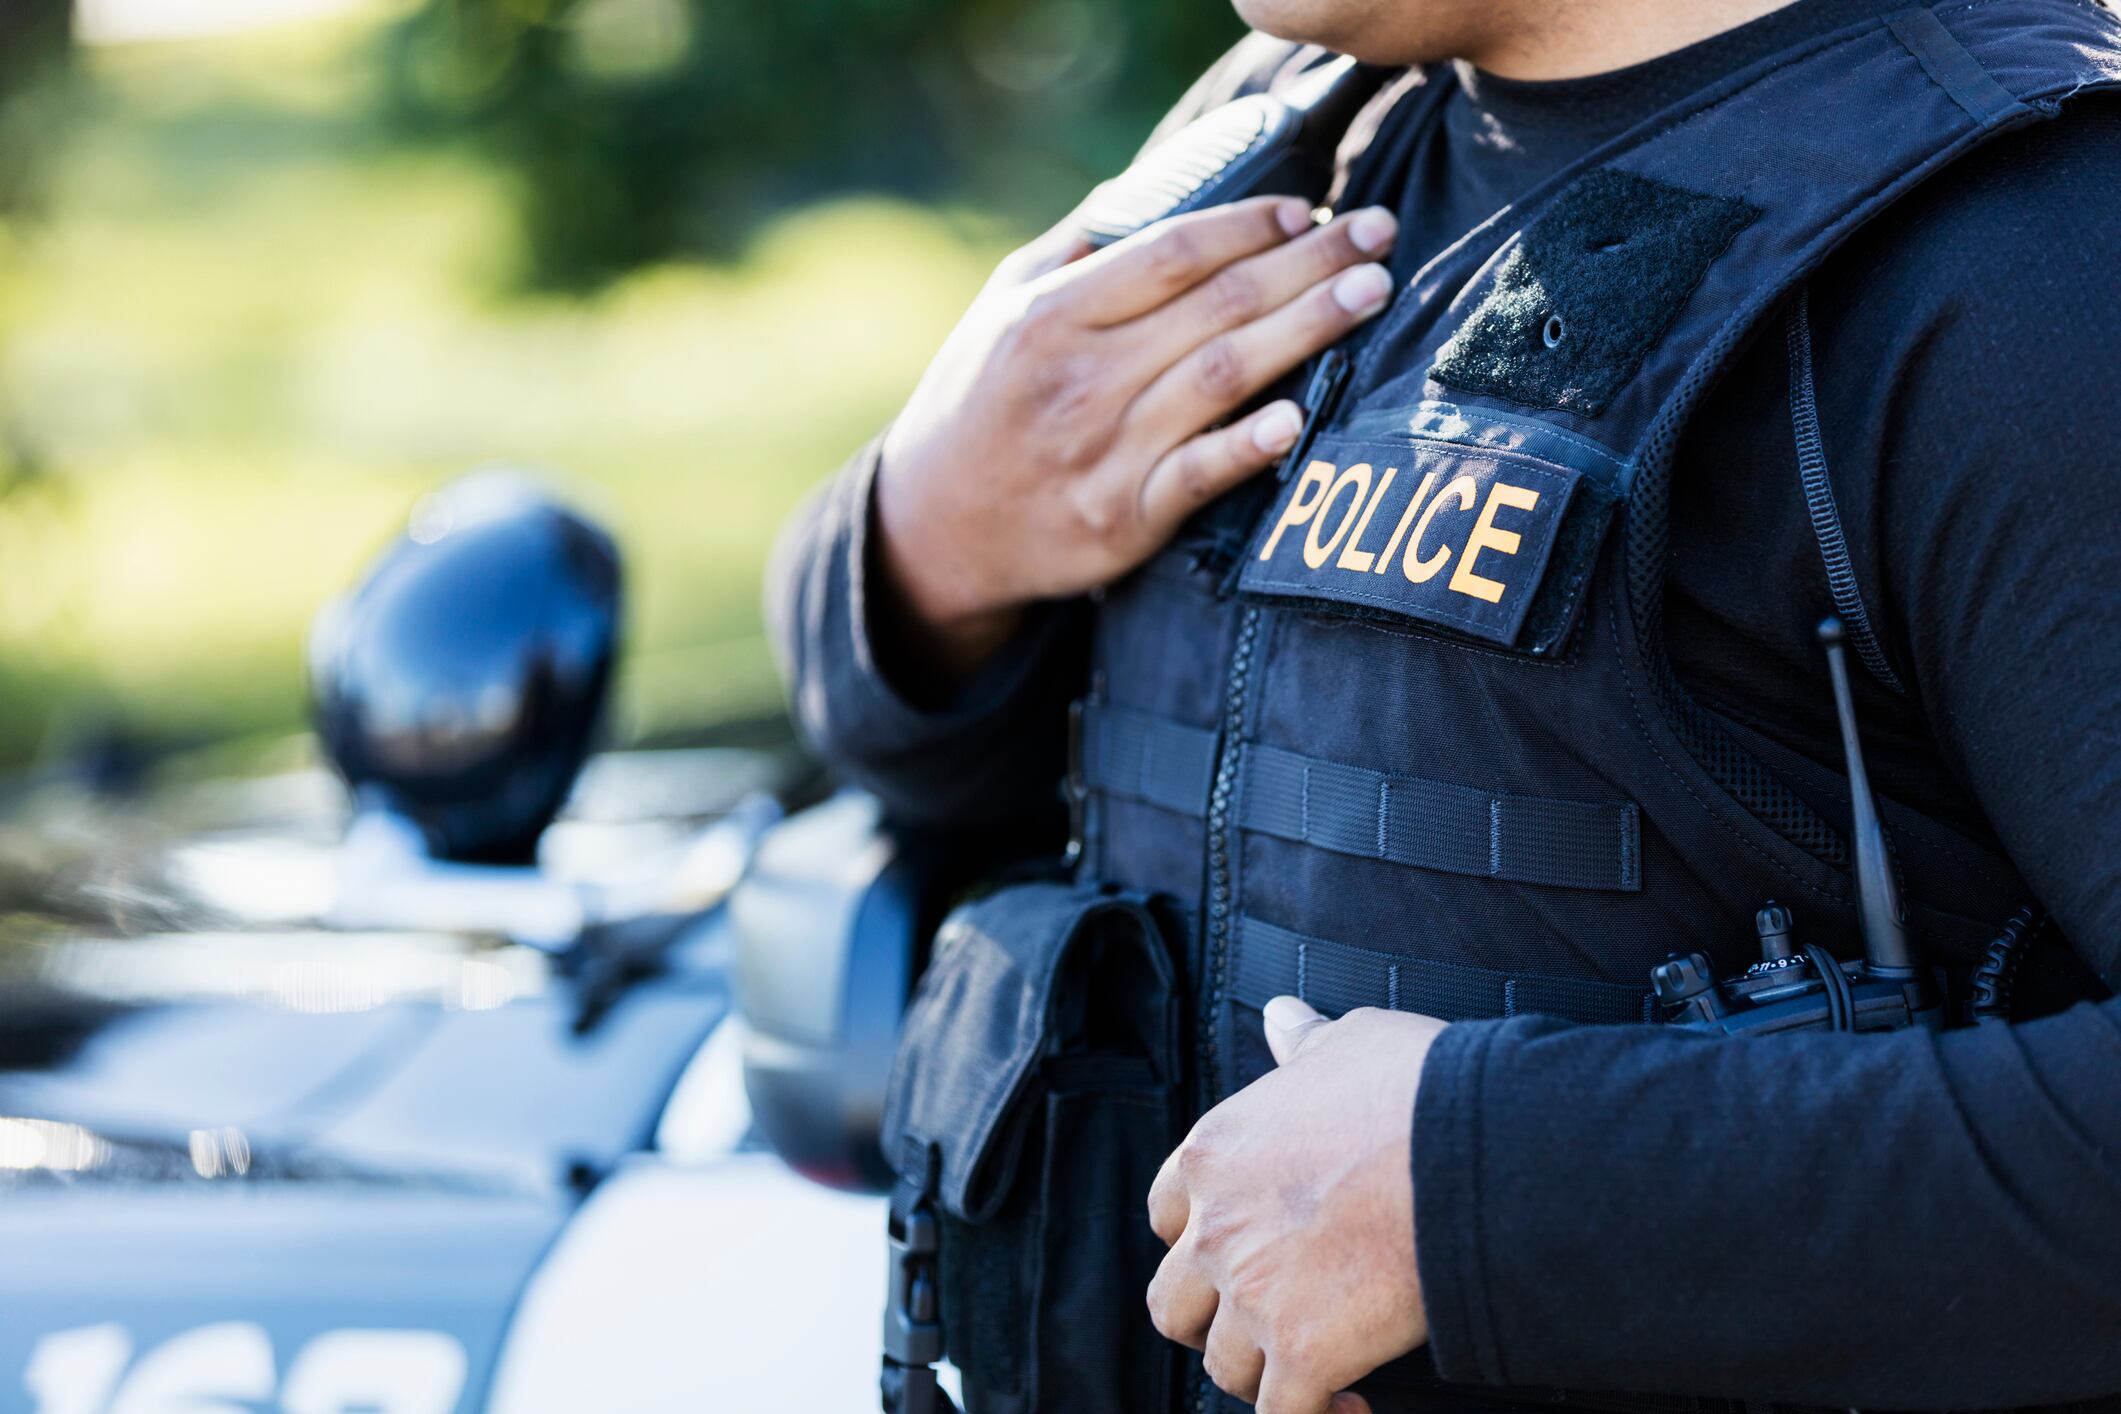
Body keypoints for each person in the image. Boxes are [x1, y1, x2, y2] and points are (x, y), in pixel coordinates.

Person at [767, 0, 2121, 1408]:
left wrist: (1482, 1193)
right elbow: (998, 777)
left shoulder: (2037, 254)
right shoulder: (1291, 121)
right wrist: (923, 545)